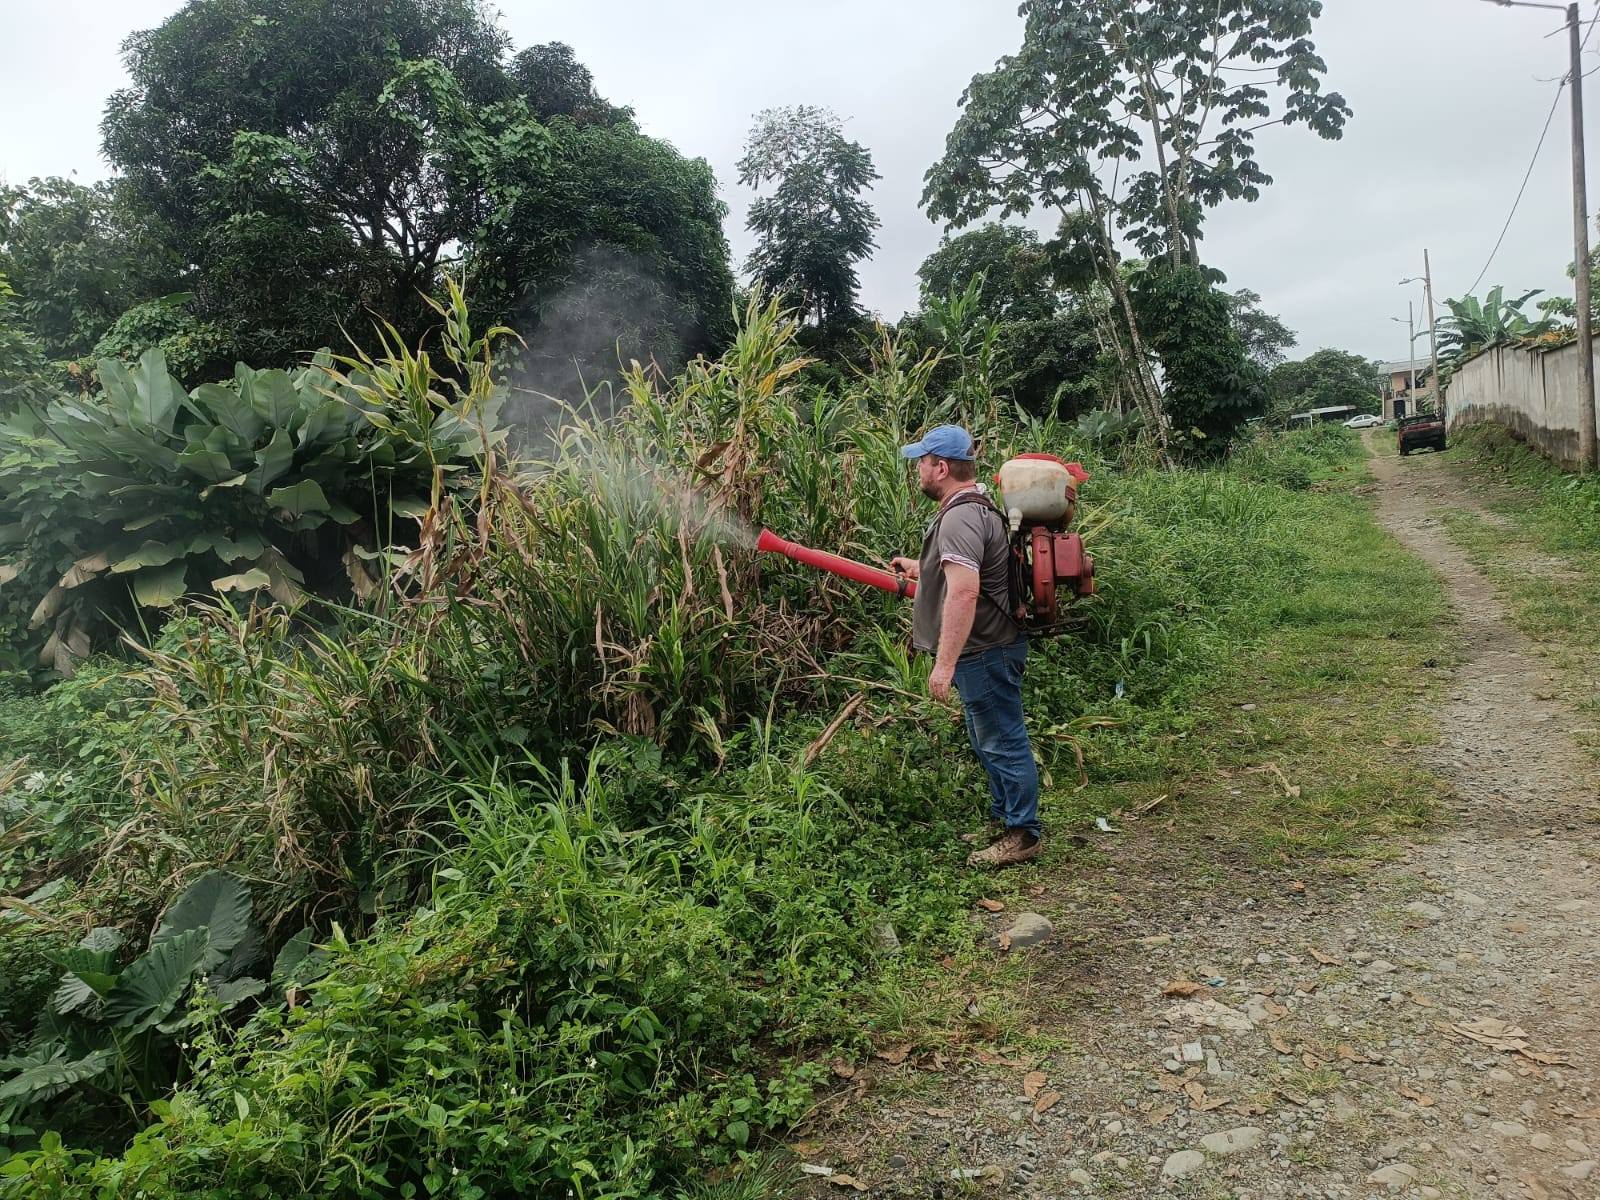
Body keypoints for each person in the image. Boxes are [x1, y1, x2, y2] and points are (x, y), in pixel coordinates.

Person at [890, 424, 1042, 868]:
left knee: (1002, 741)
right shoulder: (974, 507)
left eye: (922, 462)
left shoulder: (958, 517)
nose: (918, 470)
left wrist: (943, 665)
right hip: (989, 648)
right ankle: (1006, 818)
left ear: (941, 468)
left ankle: (1022, 834)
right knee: (987, 738)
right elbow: (963, 571)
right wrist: (920, 568)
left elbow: (964, 592)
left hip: (986, 650)